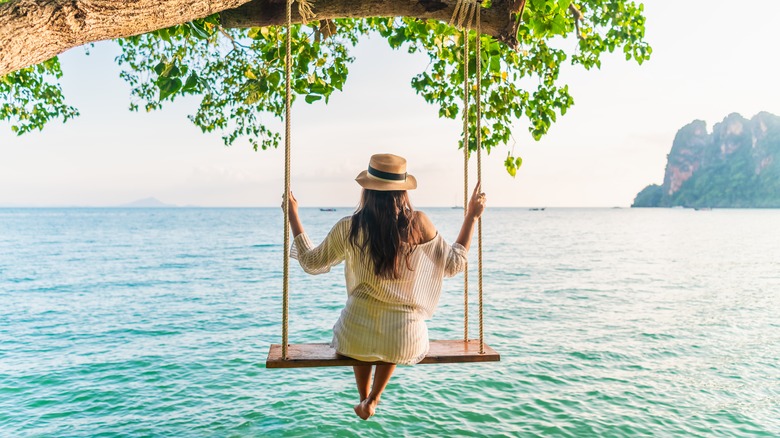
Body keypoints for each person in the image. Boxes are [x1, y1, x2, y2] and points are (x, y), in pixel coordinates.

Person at [284, 153, 486, 420]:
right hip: (405, 340)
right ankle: (374, 398)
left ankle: (363, 398)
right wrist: (472, 216)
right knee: (395, 327)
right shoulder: (419, 224)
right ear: (403, 191)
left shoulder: (350, 227)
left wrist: (292, 215)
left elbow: (311, 262)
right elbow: (453, 264)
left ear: (367, 190)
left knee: (363, 323)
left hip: (353, 336)